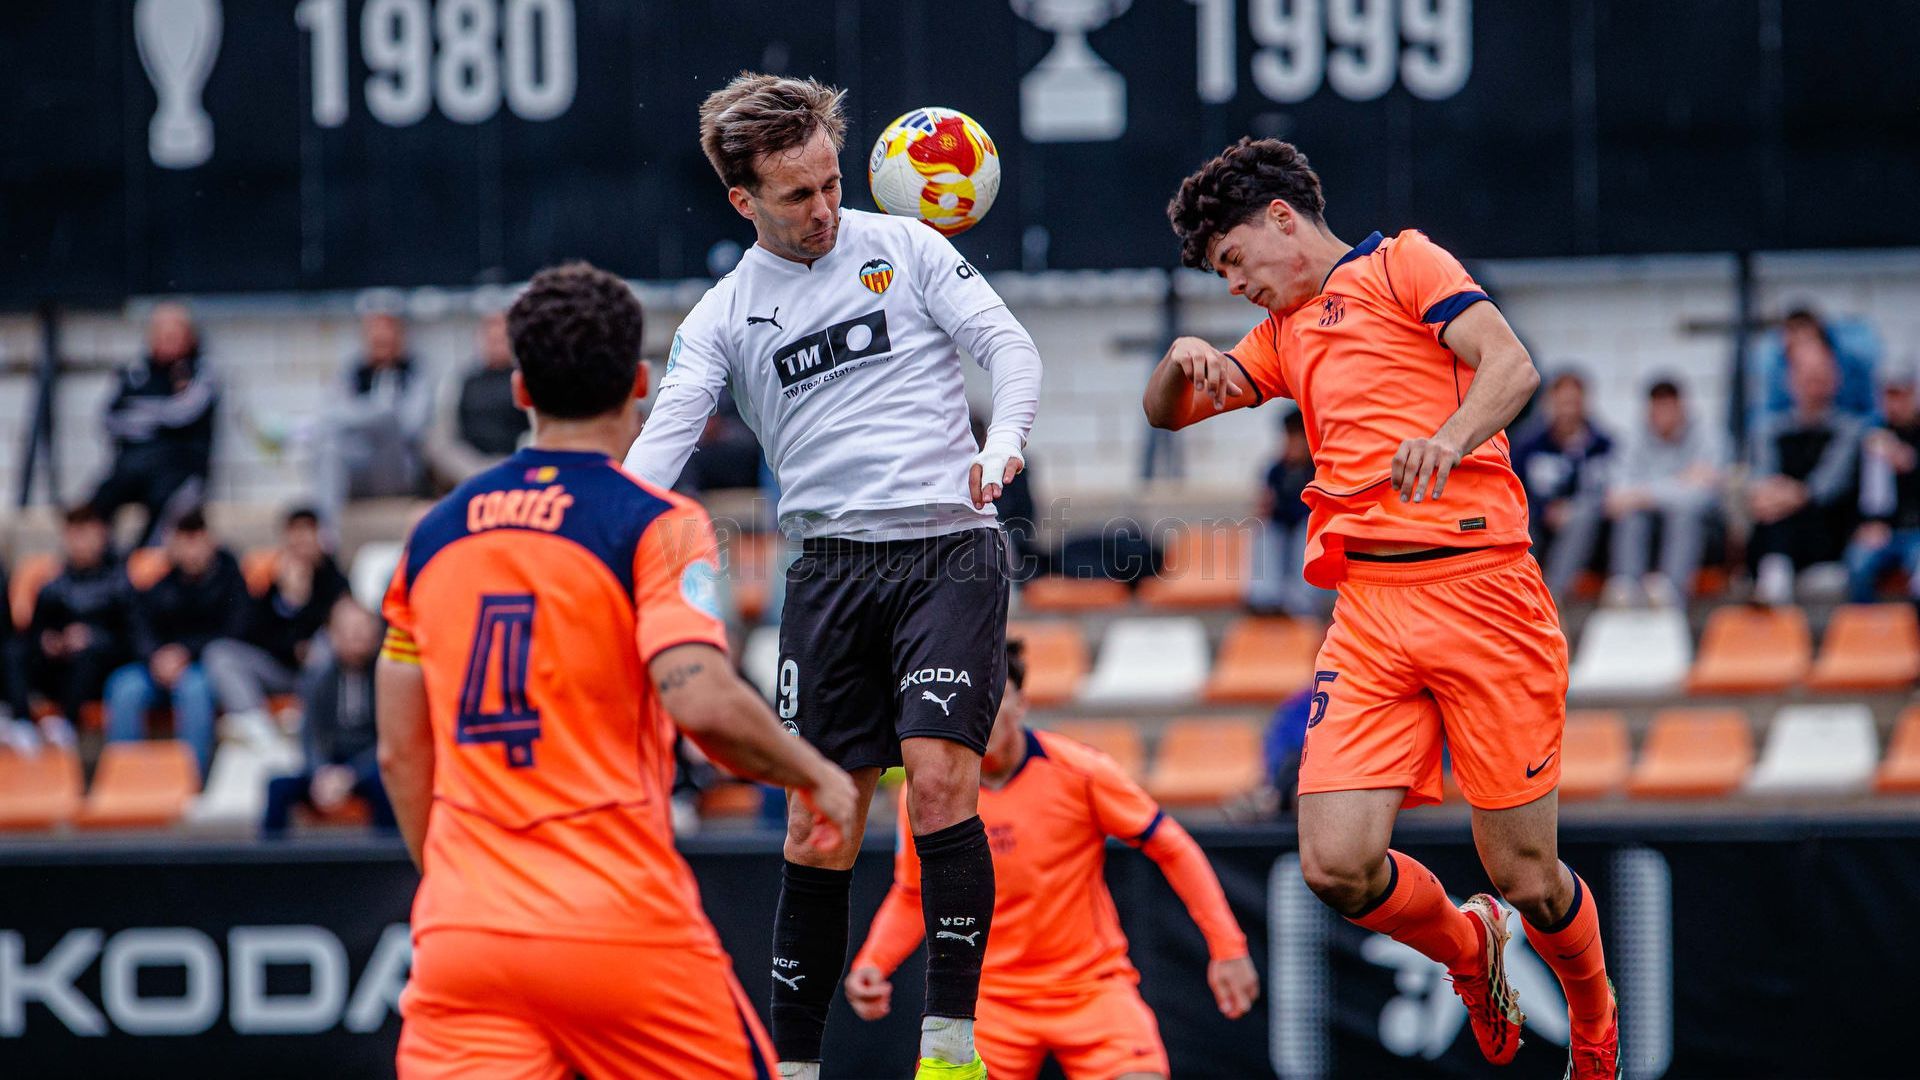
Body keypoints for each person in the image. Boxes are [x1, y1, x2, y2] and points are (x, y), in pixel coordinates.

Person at [1145, 138, 1618, 1078]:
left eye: (1233, 259)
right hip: (1369, 610)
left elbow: (1511, 368)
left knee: (1525, 874)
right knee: (1334, 866)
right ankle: (1468, 953)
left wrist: (1446, 439)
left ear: (1282, 217)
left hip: (1484, 592)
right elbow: (1170, 413)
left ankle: (1596, 1021)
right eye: (1219, 275)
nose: (1234, 285)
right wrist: (1177, 359)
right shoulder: (1281, 334)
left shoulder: (1404, 263)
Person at [623, 74, 1043, 1080]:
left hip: (949, 546)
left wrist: (1006, 443)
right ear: (743, 201)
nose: (824, 210)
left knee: (941, 781)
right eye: (797, 195)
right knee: (820, 822)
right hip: (829, 572)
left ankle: (950, 1050)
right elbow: (656, 453)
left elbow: (1009, 347)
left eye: (830, 183)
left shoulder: (906, 245)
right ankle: (797, 1066)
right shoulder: (722, 316)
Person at [375, 261, 855, 1080]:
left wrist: (461, 893)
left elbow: (398, 751)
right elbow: (699, 697)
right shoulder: (659, 524)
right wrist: (819, 775)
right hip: (615, 925)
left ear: (520, 389)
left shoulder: (431, 535)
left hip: (463, 933)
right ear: (638, 382)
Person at [845, 640, 1260, 1080]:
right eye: (966, 700)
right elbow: (914, 892)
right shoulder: (929, 792)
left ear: (1021, 702)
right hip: (987, 999)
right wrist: (874, 962)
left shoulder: (1080, 772)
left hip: (1091, 991)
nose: (977, 713)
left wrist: (1228, 947)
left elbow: (1171, 845)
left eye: (991, 697)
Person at [103, 508, 247, 775]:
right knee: (124, 688)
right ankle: (125, 777)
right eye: (184, 540)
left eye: (196, 539)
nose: (191, 550)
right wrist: (156, 657)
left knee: (195, 689)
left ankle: (189, 777)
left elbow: (234, 633)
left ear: (210, 541)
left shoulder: (231, 582)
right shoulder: (161, 585)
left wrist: (185, 653)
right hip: (158, 669)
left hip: (203, 667)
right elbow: (140, 629)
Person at [202, 507, 348, 737]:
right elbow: (248, 632)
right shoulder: (266, 582)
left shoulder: (335, 581)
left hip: (316, 673)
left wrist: (304, 606)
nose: (302, 543)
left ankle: (312, 718)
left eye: (308, 533)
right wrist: (288, 602)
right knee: (219, 654)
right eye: (295, 534)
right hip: (275, 667)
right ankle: (255, 724)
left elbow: (343, 630)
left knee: (325, 646)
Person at [1748, 347, 1866, 605]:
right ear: (1791, 381)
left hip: (1826, 530)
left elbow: (1826, 486)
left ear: (1835, 380)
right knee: (1770, 516)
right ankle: (1775, 574)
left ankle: (1775, 577)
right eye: (1807, 377)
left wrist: (1791, 496)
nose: (1814, 386)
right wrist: (1772, 497)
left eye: (1821, 377)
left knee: (1785, 515)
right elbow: (1763, 481)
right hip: (1776, 526)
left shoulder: (1849, 430)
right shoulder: (1771, 429)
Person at [91, 303, 218, 544]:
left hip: (182, 470)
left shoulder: (202, 373)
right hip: (134, 468)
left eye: (174, 334)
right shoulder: (135, 372)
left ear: (189, 337)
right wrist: (157, 417)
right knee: (94, 508)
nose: (167, 340)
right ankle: (102, 570)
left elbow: (182, 414)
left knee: (167, 516)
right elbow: (111, 419)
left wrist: (142, 412)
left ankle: (145, 568)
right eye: (161, 333)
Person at [263, 599, 393, 834]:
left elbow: (390, 740)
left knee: (387, 787)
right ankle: (268, 867)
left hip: (370, 765)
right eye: (349, 629)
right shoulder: (318, 677)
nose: (357, 636)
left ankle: (387, 865)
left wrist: (351, 775)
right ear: (332, 634)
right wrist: (320, 772)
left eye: (363, 629)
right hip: (328, 766)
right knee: (278, 787)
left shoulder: (387, 679)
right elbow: (309, 734)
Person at [1601, 379, 1724, 607]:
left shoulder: (1707, 435)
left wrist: (1645, 493)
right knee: (1630, 517)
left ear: (1681, 408)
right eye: (1658, 408)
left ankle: (1671, 592)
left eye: (1669, 408)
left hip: (1702, 529)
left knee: (1684, 513)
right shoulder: (1633, 437)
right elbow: (1617, 495)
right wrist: (1678, 482)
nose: (1663, 415)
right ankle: (1626, 587)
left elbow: (1703, 494)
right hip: (1648, 524)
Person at [314, 311, 435, 527]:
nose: (381, 339)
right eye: (375, 332)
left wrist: (364, 416)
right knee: (329, 448)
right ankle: (325, 536)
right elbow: (329, 417)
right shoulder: (351, 373)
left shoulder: (415, 372)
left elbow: (410, 426)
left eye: (388, 331)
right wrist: (376, 413)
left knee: (387, 420)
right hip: (359, 464)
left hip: (396, 467)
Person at [26, 507, 132, 731]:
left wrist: (93, 638)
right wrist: (49, 642)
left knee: (88, 655)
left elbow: (133, 640)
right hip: (59, 670)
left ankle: (65, 726)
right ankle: (18, 724)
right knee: (14, 653)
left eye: (85, 534)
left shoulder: (121, 584)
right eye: (74, 534)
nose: (79, 543)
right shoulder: (53, 587)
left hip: (104, 671)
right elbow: (32, 635)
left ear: (102, 535)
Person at [1512, 371, 1614, 599]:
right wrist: (1544, 510)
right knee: (1521, 521)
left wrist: (1573, 508)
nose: (1568, 409)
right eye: (1562, 402)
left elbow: (1609, 493)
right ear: (1550, 403)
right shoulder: (1528, 443)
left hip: (1591, 530)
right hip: (1538, 523)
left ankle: (1553, 594)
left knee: (1582, 517)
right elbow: (1513, 485)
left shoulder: (1603, 444)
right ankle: (1524, 590)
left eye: (1573, 402)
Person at [423, 312, 529, 487]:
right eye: (491, 339)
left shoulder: (527, 380)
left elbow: (536, 432)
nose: (497, 345)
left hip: (517, 470)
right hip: (468, 472)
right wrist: (474, 471)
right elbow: (444, 437)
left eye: (502, 339)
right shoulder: (459, 382)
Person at [1845, 367, 1920, 602]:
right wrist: (1865, 526)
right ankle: (1870, 635)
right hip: (1883, 531)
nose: (1895, 404)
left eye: (1901, 395)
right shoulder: (1869, 435)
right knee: (1858, 562)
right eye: (1889, 395)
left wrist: (1911, 465)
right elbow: (1847, 495)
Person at [1249, 409, 1326, 614]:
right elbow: (1266, 506)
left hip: (1305, 533)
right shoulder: (1276, 470)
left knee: (1307, 531)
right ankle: (1265, 597)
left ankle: (1300, 601)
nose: (1291, 444)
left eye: (1296, 438)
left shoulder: (1318, 469)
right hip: (1282, 532)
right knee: (1266, 532)